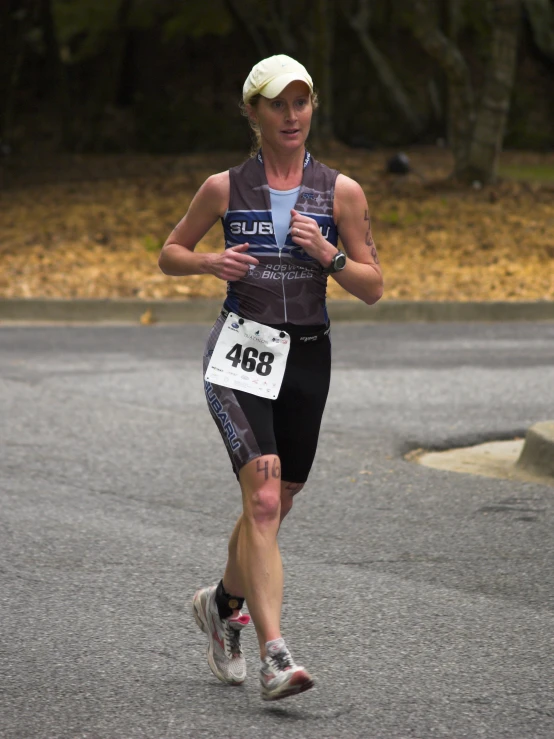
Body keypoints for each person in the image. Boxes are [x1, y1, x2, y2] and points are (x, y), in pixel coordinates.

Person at [158, 54, 383, 701]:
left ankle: (219, 603)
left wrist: (329, 254)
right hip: (241, 351)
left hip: (309, 358)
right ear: (253, 111)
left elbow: (372, 286)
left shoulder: (342, 192)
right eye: (278, 104)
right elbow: (170, 253)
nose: (292, 116)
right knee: (260, 497)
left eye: (302, 102)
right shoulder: (224, 187)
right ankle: (275, 655)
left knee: (276, 505)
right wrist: (209, 262)